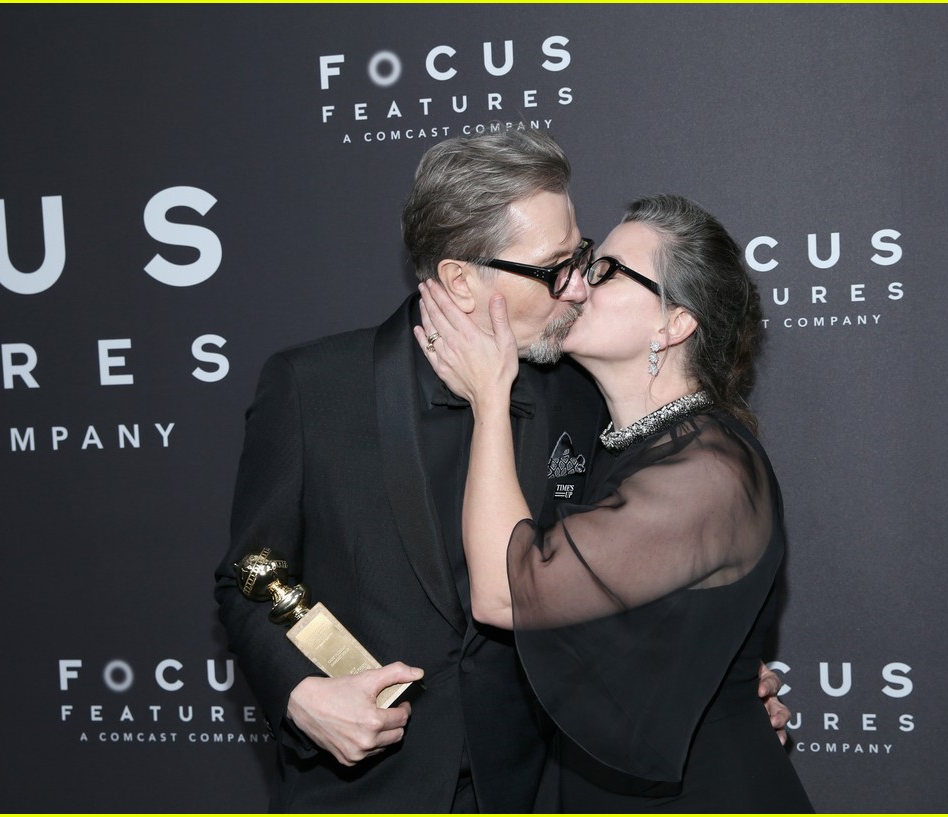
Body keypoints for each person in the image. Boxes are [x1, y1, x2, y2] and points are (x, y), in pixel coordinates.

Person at [214, 131, 791, 812]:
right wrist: (299, 694)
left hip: (540, 790)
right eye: (555, 268)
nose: (577, 285)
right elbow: (247, 576)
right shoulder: (314, 388)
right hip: (366, 792)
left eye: (583, 257)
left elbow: (647, 574)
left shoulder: (588, 392)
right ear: (461, 278)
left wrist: (712, 687)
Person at [417, 193, 814, 811]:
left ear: (674, 323)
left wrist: (488, 399)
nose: (574, 283)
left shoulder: (707, 470)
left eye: (604, 270)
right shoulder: (620, 448)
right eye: (581, 262)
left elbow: (502, 593)